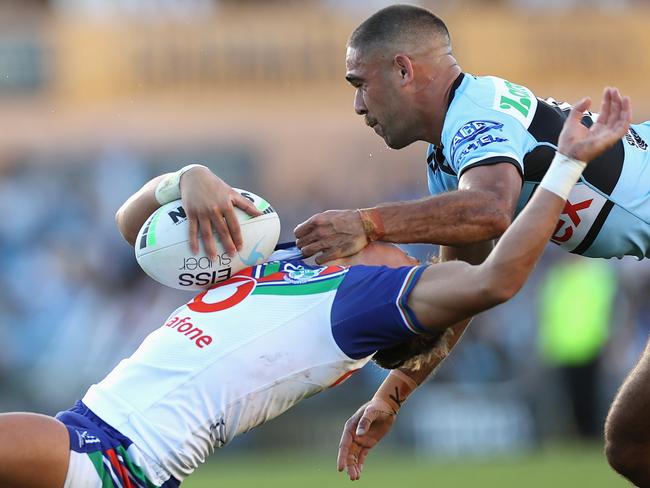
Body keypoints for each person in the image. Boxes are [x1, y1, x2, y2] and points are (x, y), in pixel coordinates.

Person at [0, 87, 629, 487]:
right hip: (89, 434)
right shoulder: (293, 255)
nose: (411, 254)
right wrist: (182, 179)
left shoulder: (369, 303)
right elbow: (131, 226)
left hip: (114, 458)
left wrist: (567, 164)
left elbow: (496, 279)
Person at [304, 5, 647, 485]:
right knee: (633, 446)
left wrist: (369, 222)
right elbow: (466, 287)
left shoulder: (476, 112)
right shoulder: (449, 155)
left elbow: (490, 208)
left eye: (360, 83)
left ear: (403, 69)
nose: (359, 106)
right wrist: (392, 394)